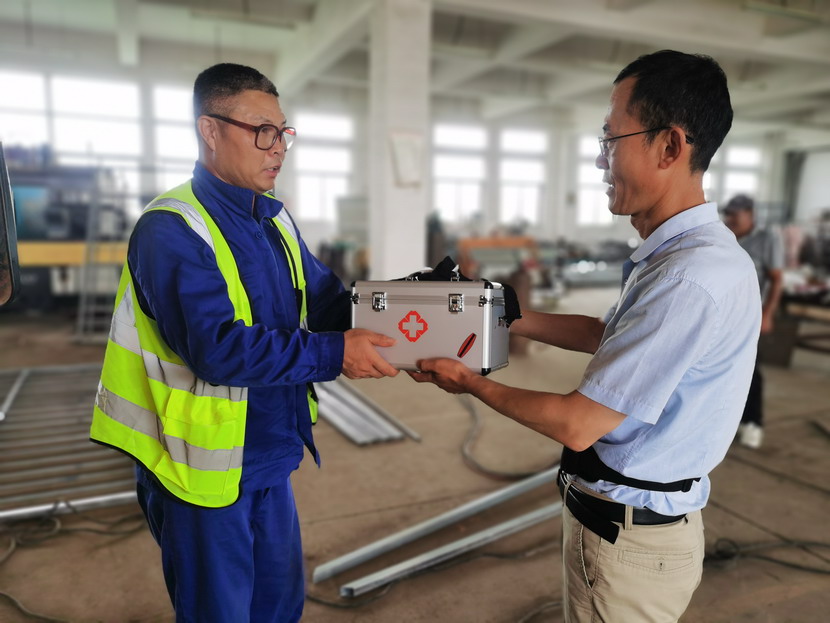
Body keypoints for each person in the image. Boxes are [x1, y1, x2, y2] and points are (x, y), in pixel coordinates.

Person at [410, 50, 761, 622]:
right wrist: (499, 309)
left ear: (669, 146)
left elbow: (577, 423)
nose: (601, 159)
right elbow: (608, 335)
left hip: (629, 546)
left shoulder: (687, 278)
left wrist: (469, 382)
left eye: (611, 138)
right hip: (629, 530)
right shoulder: (684, 256)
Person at [89, 63, 398, 623]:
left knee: (278, 607)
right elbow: (217, 349)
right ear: (210, 130)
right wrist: (336, 354)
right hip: (199, 472)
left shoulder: (274, 221)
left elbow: (328, 302)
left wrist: (410, 323)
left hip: (269, 454)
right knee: (221, 613)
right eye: (262, 131)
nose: (277, 147)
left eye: (283, 132)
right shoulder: (172, 229)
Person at [723, 194, 784, 449]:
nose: (730, 219)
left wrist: (767, 314)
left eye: (735, 214)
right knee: (723, 368)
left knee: (750, 369)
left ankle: (753, 422)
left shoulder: (767, 239)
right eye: (728, 214)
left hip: (750, 315)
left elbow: (776, 279)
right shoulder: (724, 236)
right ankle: (731, 419)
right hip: (723, 313)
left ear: (750, 214)